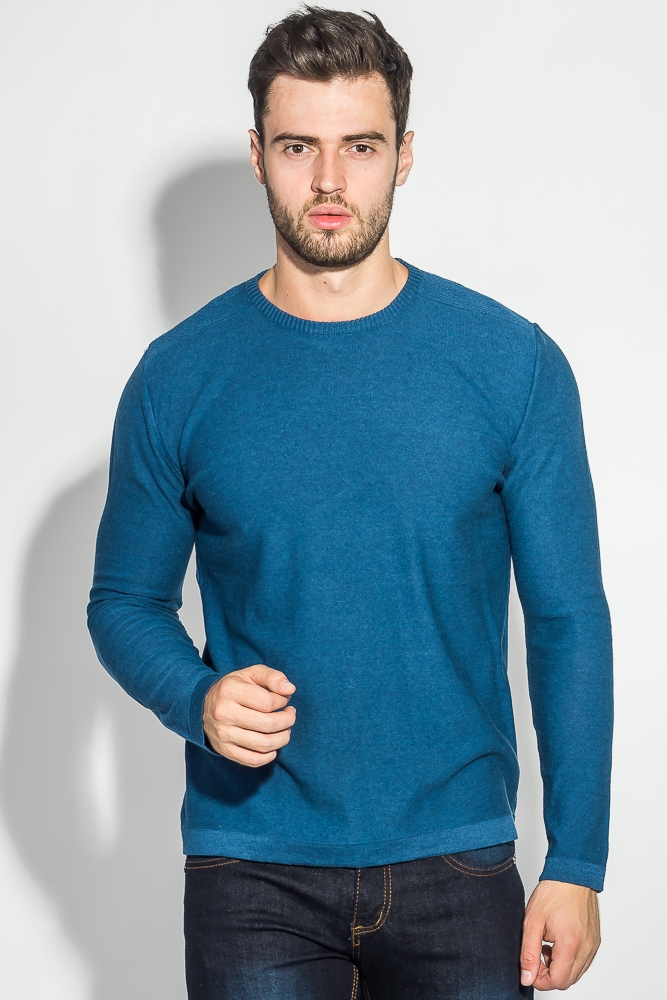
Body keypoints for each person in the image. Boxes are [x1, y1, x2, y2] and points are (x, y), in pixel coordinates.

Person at [88, 7, 613, 998]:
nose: (329, 181)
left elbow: (566, 619)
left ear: (403, 155)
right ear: (258, 156)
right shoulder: (178, 375)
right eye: (299, 146)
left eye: (360, 146)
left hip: (460, 858)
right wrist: (196, 697)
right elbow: (122, 600)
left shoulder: (511, 365)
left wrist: (576, 860)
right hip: (252, 865)